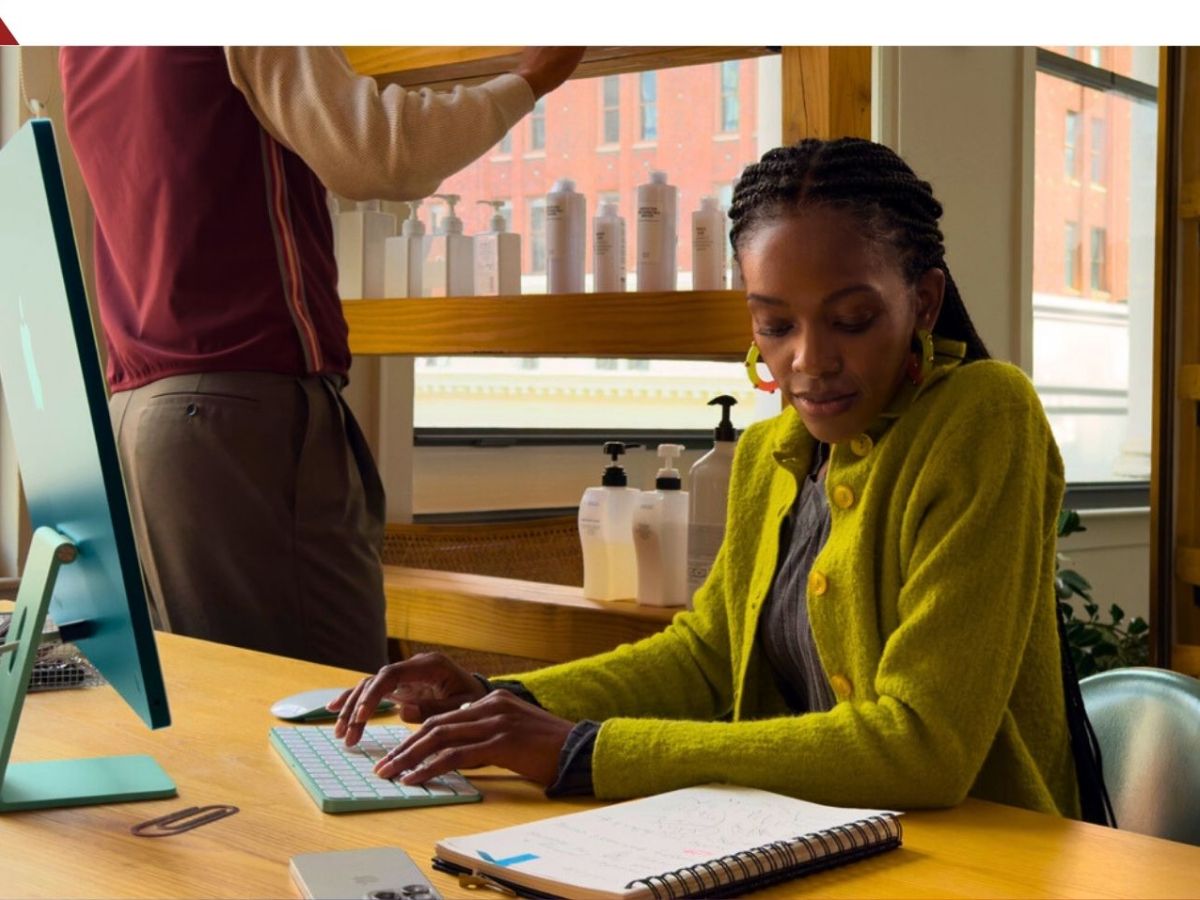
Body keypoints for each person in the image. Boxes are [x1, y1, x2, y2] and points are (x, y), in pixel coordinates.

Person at [331, 137, 1079, 817]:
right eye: (775, 325)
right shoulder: (765, 457)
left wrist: (584, 752)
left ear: (923, 301)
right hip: (807, 838)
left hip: (987, 853)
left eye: (851, 319)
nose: (808, 361)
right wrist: (502, 702)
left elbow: (922, 749)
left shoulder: (984, 415)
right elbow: (708, 655)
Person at [57, 46, 585, 672]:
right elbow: (383, 154)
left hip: (138, 410)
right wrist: (532, 75)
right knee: (334, 713)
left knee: (224, 706)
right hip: (239, 410)